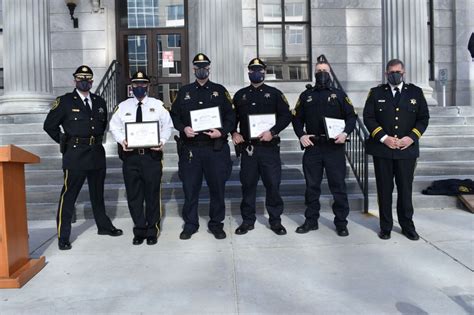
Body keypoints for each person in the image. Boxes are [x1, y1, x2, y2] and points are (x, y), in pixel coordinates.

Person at [43, 65, 123, 250]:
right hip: (75, 153)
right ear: (75, 81)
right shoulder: (64, 102)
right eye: (81, 79)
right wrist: (64, 141)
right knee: (69, 195)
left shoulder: (99, 101)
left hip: (96, 152)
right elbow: (49, 125)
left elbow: (102, 126)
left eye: (88, 79)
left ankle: (103, 226)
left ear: (92, 81)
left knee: (98, 194)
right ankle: (63, 235)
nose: (85, 82)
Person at [170, 53, 235, 240]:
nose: (201, 69)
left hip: (215, 148)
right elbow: (174, 115)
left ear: (209, 68)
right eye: (198, 67)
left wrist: (221, 132)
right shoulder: (184, 92)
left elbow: (231, 117)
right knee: (190, 189)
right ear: (193, 69)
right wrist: (183, 128)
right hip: (191, 148)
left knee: (217, 189)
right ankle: (190, 224)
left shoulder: (220, 91)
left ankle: (216, 224)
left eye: (204, 66)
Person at [363, 59, 430, 240]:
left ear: (404, 72)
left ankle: (407, 225)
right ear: (386, 74)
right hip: (382, 150)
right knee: (384, 190)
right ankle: (385, 226)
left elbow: (423, 118)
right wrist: (384, 138)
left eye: (398, 72)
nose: (395, 75)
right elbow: (368, 117)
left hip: (406, 151)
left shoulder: (415, 92)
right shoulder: (376, 93)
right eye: (392, 72)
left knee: (405, 190)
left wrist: (411, 137)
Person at [292, 60, 356, 237]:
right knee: (312, 187)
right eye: (318, 70)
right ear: (314, 73)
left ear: (330, 73)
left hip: (334, 147)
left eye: (324, 70)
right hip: (313, 146)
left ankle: (341, 223)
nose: (321, 73)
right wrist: (301, 135)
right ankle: (311, 220)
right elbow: (296, 118)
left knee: (338, 186)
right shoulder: (306, 95)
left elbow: (351, 116)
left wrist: (345, 133)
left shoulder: (339, 95)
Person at [109, 71, 173, 246]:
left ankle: (153, 230)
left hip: (151, 156)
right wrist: (122, 140)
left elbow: (168, 126)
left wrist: (162, 141)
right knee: (134, 196)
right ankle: (139, 230)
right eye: (136, 84)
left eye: (143, 84)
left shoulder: (158, 105)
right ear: (131, 86)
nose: (139, 87)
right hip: (130, 157)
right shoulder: (123, 106)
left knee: (152, 195)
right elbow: (114, 127)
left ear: (148, 86)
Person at [232, 58, 291, 235]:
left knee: (272, 185)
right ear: (248, 72)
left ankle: (275, 221)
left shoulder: (275, 94)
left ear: (264, 72)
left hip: (269, 148)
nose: (256, 73)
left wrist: (272, 132)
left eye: (259, 70)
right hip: (249, 149)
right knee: (248, 186)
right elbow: (231, 118)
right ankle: (247, 221)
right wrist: (234, 133)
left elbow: (286, 116)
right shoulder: (240, 95)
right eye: (252, 70)